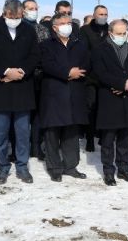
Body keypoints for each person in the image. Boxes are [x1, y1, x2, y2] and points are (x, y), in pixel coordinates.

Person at [0, 0, 40, 184]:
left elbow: (35, 55)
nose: (14, 19)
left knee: (22, 132)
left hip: (23, 86)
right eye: (11, 16)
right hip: (0, 86)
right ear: (4, 13)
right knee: (1, 132)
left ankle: (22, 166)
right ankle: (2, 166)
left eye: (18, 16)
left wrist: (21, 71)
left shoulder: (29, 30)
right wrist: (5, 71)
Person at [39, 13, 90, 182]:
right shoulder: (46, 45)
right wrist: (67, 72)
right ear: (54, 27)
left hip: (75, 92)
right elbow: (47, 65)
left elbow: (87, 63)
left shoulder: (80, 44)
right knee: (52, 134)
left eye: (69, 22)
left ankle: (70, 166)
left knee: (71, 133)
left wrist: (78, 72)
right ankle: (55, 168)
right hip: (54, 93)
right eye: (63, 23)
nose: (67, 25)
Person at [92, 19, 128, 186]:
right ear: (110, 33)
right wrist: (120, 84)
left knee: (125, 139)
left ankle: (123, 168)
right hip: (110, 98)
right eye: (118, 33)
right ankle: (108, 171)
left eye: (124, 33)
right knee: (108, 140)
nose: (122, 36)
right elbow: (99, 72)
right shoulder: (100, 49)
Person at [79, 4, 110, 152]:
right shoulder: (85, 30)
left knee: (105, 107)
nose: (103, 17)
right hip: (90, 76)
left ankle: (103, 136)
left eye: (105, 14)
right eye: (100, 14)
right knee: (91, 107)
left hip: (106, 76)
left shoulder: (110, 29)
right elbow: (84, 51)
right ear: (94, 15)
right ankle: (90, 138)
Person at [22, 0, 50, 160]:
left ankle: (36, 146)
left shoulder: (42, 29)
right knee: (22, 115)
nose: (33, 11)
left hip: (39, 77)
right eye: (30, 8)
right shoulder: (19, 28)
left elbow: (46, 52)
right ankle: (20, 148)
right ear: (23, 10)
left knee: (38, 115)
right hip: (22, 77)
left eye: (35, 8)